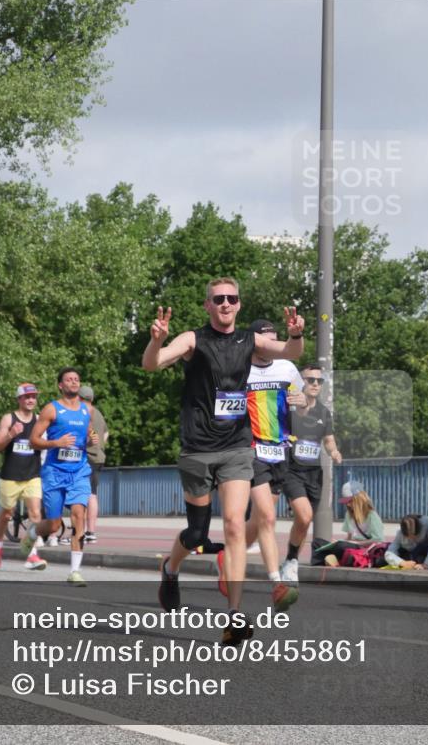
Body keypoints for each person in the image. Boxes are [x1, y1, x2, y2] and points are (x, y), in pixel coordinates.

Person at [141, 277, 304, 646]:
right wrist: (156, 340)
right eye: (219, 299)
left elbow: (291, 353)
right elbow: (152, 364)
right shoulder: (193, 340)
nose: (226, 304)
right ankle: (171, 568)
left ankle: (234, 616)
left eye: (232, 298)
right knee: (197, 533)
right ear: (208, 305)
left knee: (233, 525)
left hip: (236, 446)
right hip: (197, 448)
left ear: (239, 304)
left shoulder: (251, 340)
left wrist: (295, 336)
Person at [227, 318, 304, 611]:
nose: (273, 346)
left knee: (260, 520)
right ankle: (277, 583)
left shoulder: (286, 367)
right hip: (250, 449)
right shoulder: (239, 368)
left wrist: (301, 400)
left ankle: (230, 556)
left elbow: (305, 399)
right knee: (268, 518)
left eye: (276, 341)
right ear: (256, 342)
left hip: (280, 449)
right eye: (267, 341)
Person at [26, 368, 97, 586]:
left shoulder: (87, 410)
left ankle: (75, 571)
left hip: (79, 471)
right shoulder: (51, 409)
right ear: (60, 385)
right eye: (69, 379)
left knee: (79, 514)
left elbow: (87, 435)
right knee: (54, 525)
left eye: (76, 379)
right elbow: (33, 441)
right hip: (54, 473)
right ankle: (32, 533)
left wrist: (90, 440)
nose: (74, 382)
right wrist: (55, 443)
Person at [280, 363, 343, 583]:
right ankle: (291, 560)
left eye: (319, 381)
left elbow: (328, 440)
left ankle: (291, 559)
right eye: (310, 380)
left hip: (314, 473)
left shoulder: (324, 412)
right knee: (304, 515)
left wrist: (334, 452)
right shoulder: (290, 406)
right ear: (301, 382)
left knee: (304, 521)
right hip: (291, 470)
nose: (315, 384)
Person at [0, 383, 47, 571]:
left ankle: (31, 555)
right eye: (27, 397)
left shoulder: (40, 420)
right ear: (19, 399)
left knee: (36, 514)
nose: (31, 400)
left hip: (32, 475)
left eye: (33, 396)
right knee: (7, 514)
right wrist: (10, 434)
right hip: (10, 476)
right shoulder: (9, 418)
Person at [79, 385, 108, 544]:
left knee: (82, 494)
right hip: (98, 457)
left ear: (79, 398)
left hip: (86, 456)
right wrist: (100, 445)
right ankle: (91, 532)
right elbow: (106, 433)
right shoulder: (99, 413)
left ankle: (80, 532)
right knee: (92, 494)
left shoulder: (82, 413)